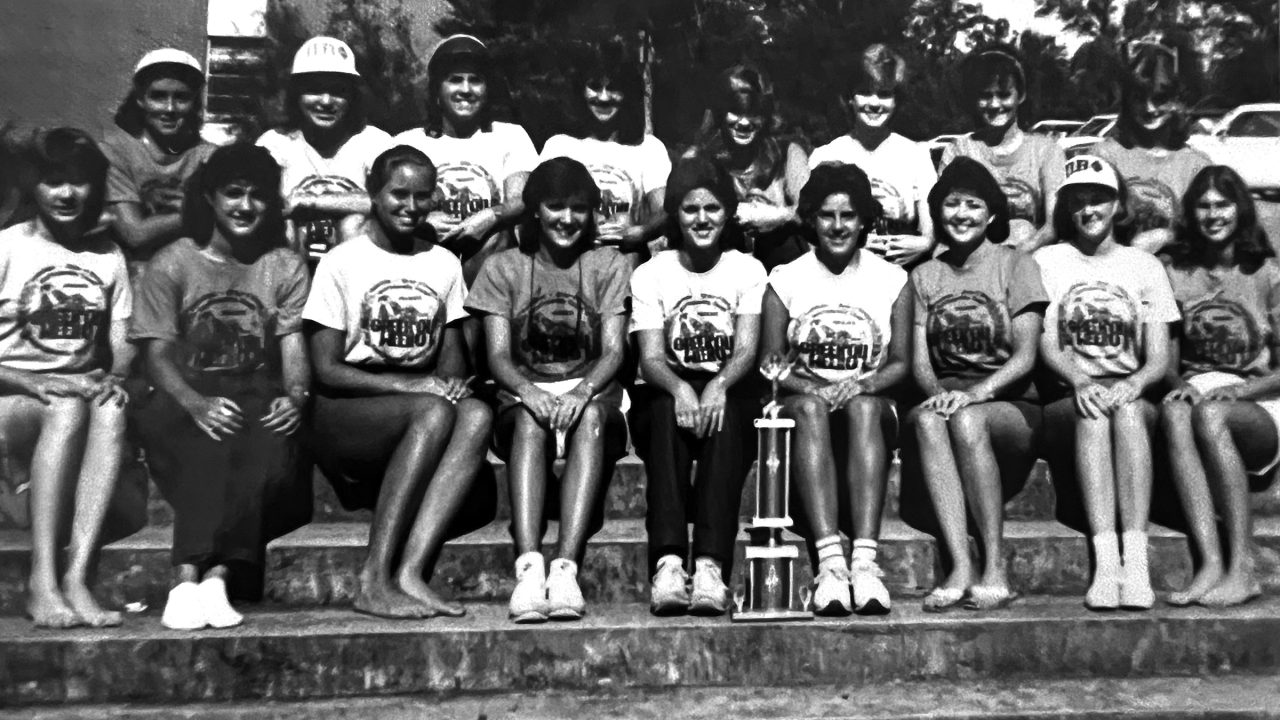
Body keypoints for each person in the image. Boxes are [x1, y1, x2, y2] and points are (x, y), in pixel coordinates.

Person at [304, 145, 494, 619]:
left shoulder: (443, 263)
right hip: (347, 408)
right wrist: (415, 389)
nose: (411, 207)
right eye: (399, 194)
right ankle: (372, 577)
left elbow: (451, 364)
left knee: (474, 414)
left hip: (416, 405)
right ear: (373, 192)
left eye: (423, 196)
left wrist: (448, 386)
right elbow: (325, 370)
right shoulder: (341, 262)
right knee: (432, 410)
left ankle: (410, 572)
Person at [131, 144, 311, 630]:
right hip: (177, 393)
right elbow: (156, 356)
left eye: (257, 196)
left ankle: (216, 578)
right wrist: (195, 403)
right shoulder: (173, 261)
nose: (245, 206)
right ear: (210, 197)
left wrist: (295, 398)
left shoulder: (283, 264)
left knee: (268, 448)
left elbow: (293, 349)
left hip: (252, 388)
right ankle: (184, 577)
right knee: (212, 441)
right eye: (233, 193)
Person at [466, 157, 631, 623]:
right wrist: (529, 392)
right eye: (555, 206)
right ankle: (528, 566)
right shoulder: (503, 267)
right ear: (534, 210)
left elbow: (614, 352)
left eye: (579, 208)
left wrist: (582, 394)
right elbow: (497, 357)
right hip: (522, 396)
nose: (567, 219)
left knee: (594, 417)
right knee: (527, 419)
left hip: (591, 393)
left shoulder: (607, 263)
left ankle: (566, 568)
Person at [761, 162, 911, 615]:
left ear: (864, 219)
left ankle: (864, 562)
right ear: (811, 219)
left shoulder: (893, 279)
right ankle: (830, 564)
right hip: (808, 404)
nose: (838, 226)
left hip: (868, 401)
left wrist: (859, 384)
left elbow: (902, 363)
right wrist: (810, 387)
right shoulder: (785, 279)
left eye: (848, 215)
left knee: (865, 408)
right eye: (827, 215)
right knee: (805, 408)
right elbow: (768, 363)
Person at [900, 158, 1047, 611]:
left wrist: (977, 394)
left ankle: (996, 568)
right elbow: (920, 361)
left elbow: (1026, 356)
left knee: (965, 421)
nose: (961, 214)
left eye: (973, 205)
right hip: (949, 398)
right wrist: (936, 394)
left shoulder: (1016, 264)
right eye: (951, 204)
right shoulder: (924, 275)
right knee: (926, 423)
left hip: (1009, 401)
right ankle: (960, 565)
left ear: (991, 214)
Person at [0, 129, 133, 627]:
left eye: (79, 182)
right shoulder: (7, 247)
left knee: (110, 403)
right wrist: (31, 382)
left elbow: (123, 344)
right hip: (9, 397)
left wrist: (114, 374)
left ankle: (76, 577)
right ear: (34, 185)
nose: (67, 194)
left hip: (70, 392)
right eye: (54, 181)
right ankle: (42, 580)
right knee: (66, 405)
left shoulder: (106, 255)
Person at [1034, 155, 1179, 611]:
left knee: (1130, 411)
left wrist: (1135, 383)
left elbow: (1158, 356)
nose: (1089, 208)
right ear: (1067, 208)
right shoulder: (1049, 260)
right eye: (1079, 199)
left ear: (1118, 205)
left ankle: (1134, 560)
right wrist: (1079, 380)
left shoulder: (1144, 266)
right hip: (1068, 393)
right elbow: (1045, 341)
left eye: (1100, 197)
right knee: (1094, 414)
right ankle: (1104, 561)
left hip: (1130, 388)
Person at [629, 157, 765, 616]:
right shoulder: (652, 273)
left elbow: (746, 350)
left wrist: (719, 384)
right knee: (666, 414)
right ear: (674, 215)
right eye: (690, 210)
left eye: (712, 208)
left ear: (727, 212)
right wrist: (682, 389)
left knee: (725, 419)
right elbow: (649, 359)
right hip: (668, 383)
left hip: (729, 383)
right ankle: (668, 562)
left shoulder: (746, 269)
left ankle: (709, 565)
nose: (702, 219)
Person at [1160, 165, 1280, 607]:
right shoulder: (1175, 270)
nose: (1213, 215)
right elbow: (1167, 362)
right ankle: (1210, 561)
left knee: (1210, 413)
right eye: (1203, 206)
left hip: (1261, 399)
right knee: (1175, 410)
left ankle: (1243, 566)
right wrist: (1181, 385)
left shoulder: (1266, 272)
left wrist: (1242, 392)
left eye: (1222, 204)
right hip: (1200, 393)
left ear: (1241, 210)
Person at [395, 34, 538, 284]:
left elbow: (523, 199)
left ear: (487, 90)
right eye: (454, 80)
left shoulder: (510, 136)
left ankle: (476, 316)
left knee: (498, 235)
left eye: (475, 80)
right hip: (425, 252)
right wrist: (422, 220)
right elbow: (387, 202)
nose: (466, 89)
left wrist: (490, 216)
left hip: (484, 257)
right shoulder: (410, 142)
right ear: (437, 91)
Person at [257, 36, 394, 263]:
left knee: (354, 224)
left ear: (352, 95)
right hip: (292, 263)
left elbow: (394, 202)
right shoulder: (275, 143)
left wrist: (310, 202)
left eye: (338, 91)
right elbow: (256, 205)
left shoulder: (373, 141)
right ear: (296, 94)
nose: (326, 101)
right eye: (314, 90)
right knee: (287, 227)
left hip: (359, 266)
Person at [808, 45, 936, 268]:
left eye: (885, 94)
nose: (874, 103)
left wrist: (925, 243)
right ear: (850, 98)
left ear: (897, 101)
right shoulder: (825, 155)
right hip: (843, 268)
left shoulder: (915, 154)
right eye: (865, 92)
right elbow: (811, 230)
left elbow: (930, 227)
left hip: (902, 268)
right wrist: (850, 245)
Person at [540, 40, 670, 255]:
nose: (603, 97)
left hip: (626, 257)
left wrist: (643, 232)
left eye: (613, 88)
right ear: (580, 91)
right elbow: (537, 208)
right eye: (594, 86)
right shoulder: (560, 145)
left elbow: (664, 210)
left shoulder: (648, 148)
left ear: (627, 93)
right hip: (570, 258)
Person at [101, 48, 216, 275]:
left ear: (195, 102)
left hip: (193, 274)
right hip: (133, 275)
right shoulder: (116, 154)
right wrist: (201, 214)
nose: (170, 108)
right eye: (158, 96)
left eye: (181, 98)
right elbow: (134, 234)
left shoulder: (210, 157)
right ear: (140, 99)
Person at [1093, 31, 1210, 255]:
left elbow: (1211, 229)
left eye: (1159, 98)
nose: (1149, 109)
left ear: (1177, 100)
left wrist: (1167, 235)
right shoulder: (1105, 156)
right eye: (1139, 98)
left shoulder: (1196, 166)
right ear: (1126, 101)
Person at [940, 44, 1065, 251]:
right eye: (985, 96)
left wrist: (1015, 254)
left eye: (1004, 95)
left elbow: (1052, 227)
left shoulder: (1046, 150)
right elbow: (950, 218)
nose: (995, 104)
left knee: (1021, 228)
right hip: (972, 253)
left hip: (1028, 255)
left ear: (1021, 95)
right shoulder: (959, 150)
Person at [685, 64, 810, 272]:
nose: (744, 123)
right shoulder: (699, 159)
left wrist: (779, 215)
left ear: (766, 115)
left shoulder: (788, 153)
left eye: (753, 114)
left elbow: (814, 213)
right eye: (735, 112)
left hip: (781, 271)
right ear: (720, 113)